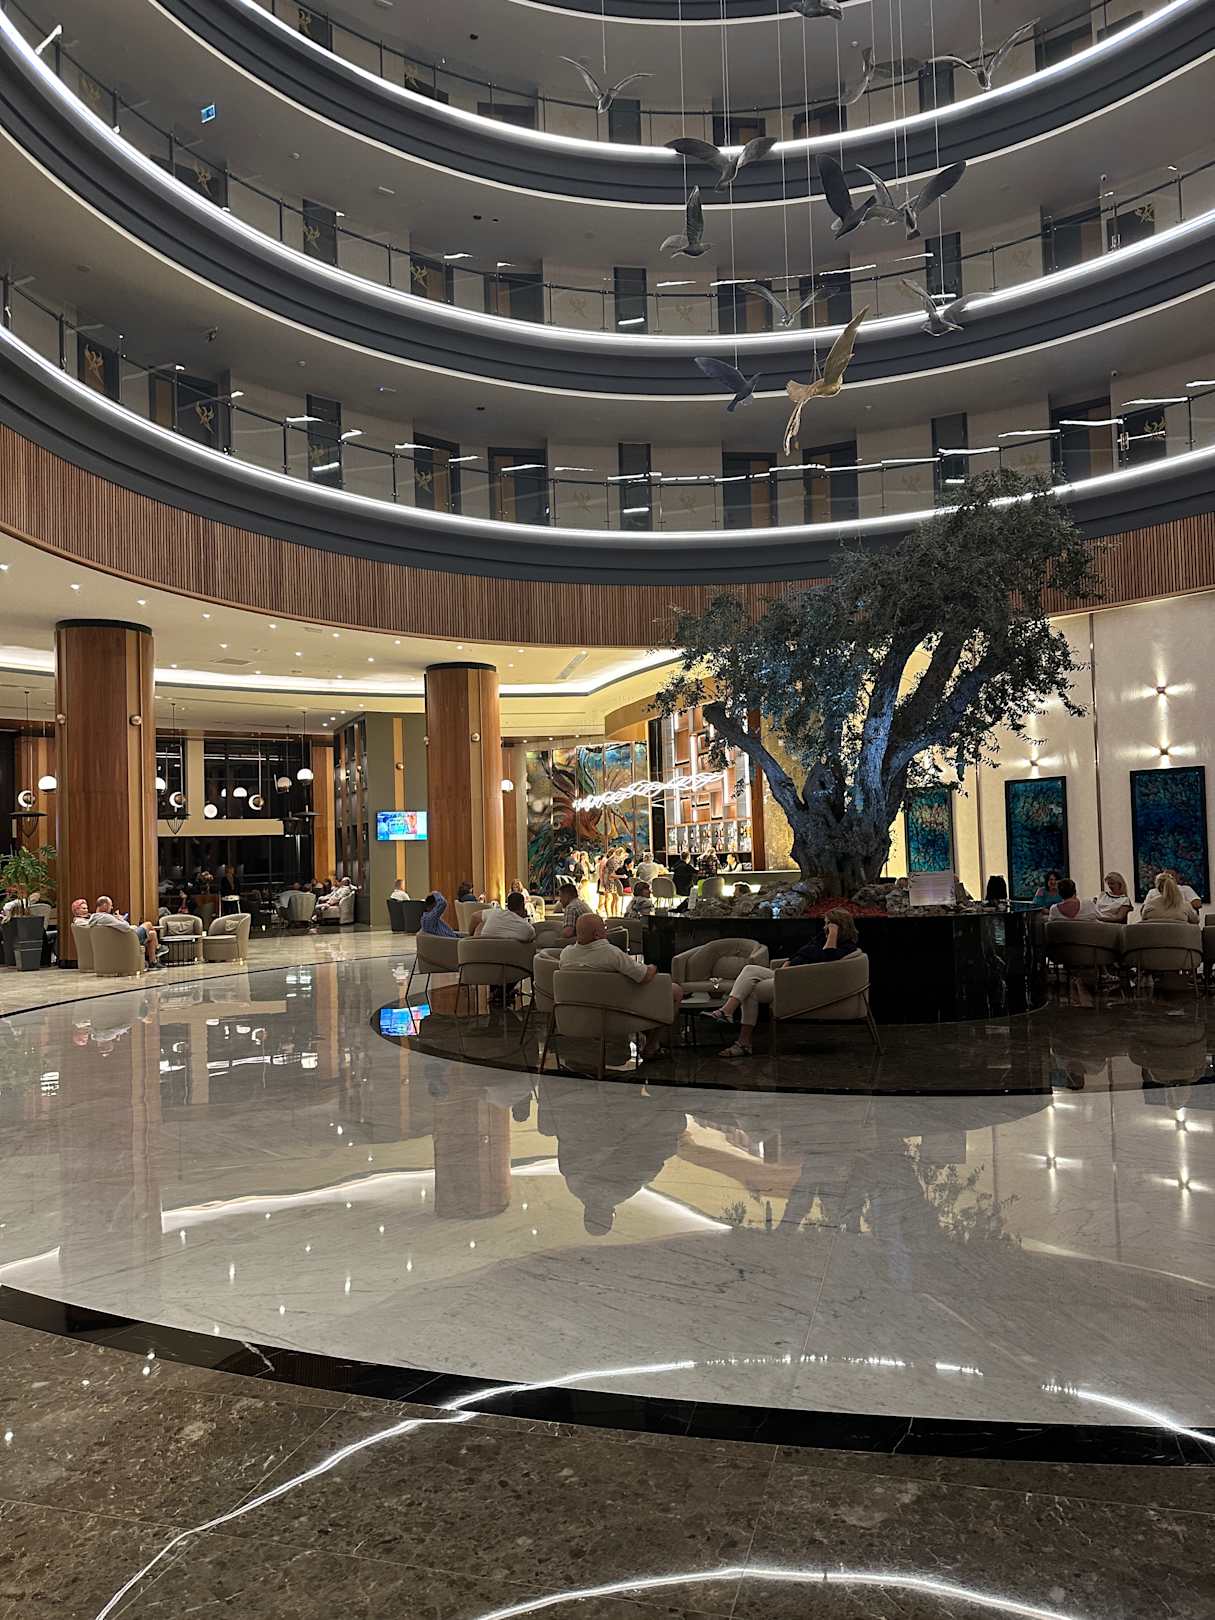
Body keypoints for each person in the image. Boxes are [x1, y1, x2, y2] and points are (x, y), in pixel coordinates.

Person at [703, 909, 861, 1057]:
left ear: (840, 927)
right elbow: (802, 952)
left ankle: (742, 1040)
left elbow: (827, 959)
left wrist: (833, 935)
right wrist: (788, 964)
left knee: (751, 990)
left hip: (801, 982)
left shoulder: (846, 946)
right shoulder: (822, 939)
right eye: (825, 924)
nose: (825, 927)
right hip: (788, 975)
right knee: (750, 970)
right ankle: (728, 1013)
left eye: (829, 924)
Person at [559, 913, 683, 1060]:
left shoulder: (566, 955)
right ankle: (652, 1045)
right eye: (604, 928)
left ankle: (650, 1038)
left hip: (578, 1014)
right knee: (674, 991)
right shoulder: (611, 953)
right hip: (618, 1013)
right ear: (597, 934)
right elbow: (643, 976)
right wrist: (653, 967)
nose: (606, 931)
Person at [90, 895, 162, 967]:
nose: (111, 908)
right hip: (129, 940)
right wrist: (120, 919)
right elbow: (126, 927)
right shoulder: (106, 917)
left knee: (152, 934)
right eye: (110, 905)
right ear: (105, 905)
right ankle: (158, 948)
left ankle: (153, 961)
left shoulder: (94, 917)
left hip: (119, 939)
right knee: (148, 924)